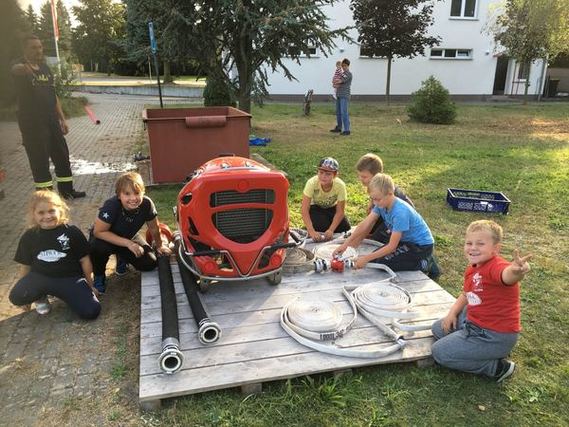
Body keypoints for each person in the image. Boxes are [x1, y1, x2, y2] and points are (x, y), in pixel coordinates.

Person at [431, 220, 532, 382]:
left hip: (493, 336)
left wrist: (517, 271)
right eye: (469, 243)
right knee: (437, 329)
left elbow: (507, 276)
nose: (473, 247)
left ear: (496, 248)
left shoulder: (496, 266)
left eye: (480, 244)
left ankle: (496, 368)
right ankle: (477, 348)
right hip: (475, 323)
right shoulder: (473, 267)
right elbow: (465, 294)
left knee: (440, 352)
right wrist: (452, 313)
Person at [11, 35, 85, 199]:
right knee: (40, 161)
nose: (38, 50)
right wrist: (23, 68)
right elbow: (14, 69)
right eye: (33, 47)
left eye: (39, 47)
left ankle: (67, 191)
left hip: (51, 120)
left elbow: (53, 95)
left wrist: (62, 119)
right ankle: (46, 198)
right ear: (25, 49)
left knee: (62, 155)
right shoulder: (20, 67)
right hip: (32, 124)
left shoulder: (45, 68)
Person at [9, 190, 100, 319]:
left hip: (69, 278)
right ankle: (40, 297)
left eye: (51, 211)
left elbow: (85, 261)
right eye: (41, 212)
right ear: (33, 215)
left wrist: (90, 286)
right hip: (40, 278)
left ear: (60, 210)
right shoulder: (29, 236)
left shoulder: (72, 233)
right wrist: (26, 295)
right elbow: (25, 266)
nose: (47, 216)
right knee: (16, 296)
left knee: (92, 311)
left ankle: (70, 296)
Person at [333, 173, 434, 272]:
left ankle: (424, 263)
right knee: (376, 259)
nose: (375, 203)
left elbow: (392, 246)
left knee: (382, 263)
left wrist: (365, 258)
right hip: (405, 241)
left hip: (420, 246)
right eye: (373, 199)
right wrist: (345, 245)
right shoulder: (381, 204)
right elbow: (364, 224)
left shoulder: (400, 213)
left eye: (378, 199)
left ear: (390, 193)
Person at [90, 172, 171, 294]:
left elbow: (154, 228)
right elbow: (98, 232)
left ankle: (122, 257)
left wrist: (160, 245)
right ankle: (99, 276)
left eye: (137, 193)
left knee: (150, 263)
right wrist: (128, 244)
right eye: (127, 194)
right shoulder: (111, 206)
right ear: (119, 195)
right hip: (105, 238)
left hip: (128, 235)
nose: (133, 198)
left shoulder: (147, 204)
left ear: (143, 192)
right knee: (98, 248)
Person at [355, 153, 414, 244]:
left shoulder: (386, 190)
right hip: (386, 214)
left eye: (364, 177)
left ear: (376, 176)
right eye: (359, 175)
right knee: (369, 228)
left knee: (377, 239)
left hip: (399, 221)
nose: (360, 179)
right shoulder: (376, 186)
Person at [301, 157, 351, 242]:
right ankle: (313, 226)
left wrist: (331, 229)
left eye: (328, 174)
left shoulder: (340, 185)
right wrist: (311, 231)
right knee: (321, 225)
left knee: (345, 227)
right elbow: (304, 208)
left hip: (332, 208)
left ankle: (327, 226)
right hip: (316, 207)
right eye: (321, 172)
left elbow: (340, 211)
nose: (323, 176)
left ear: (335, 175)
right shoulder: (311, 183)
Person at [330, 58, 352, 136]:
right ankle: (339, 127)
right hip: (338, 95)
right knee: (338, 112)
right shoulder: (341, 74)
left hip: (344, 95)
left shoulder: (348, 74)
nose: (343, 67)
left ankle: (347, 130)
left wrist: (335, 81)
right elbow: (334, 82)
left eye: (345, 66)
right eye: (342, 66)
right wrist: (335, 82)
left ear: (348, 66)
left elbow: (339, 81)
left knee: (344, 112)